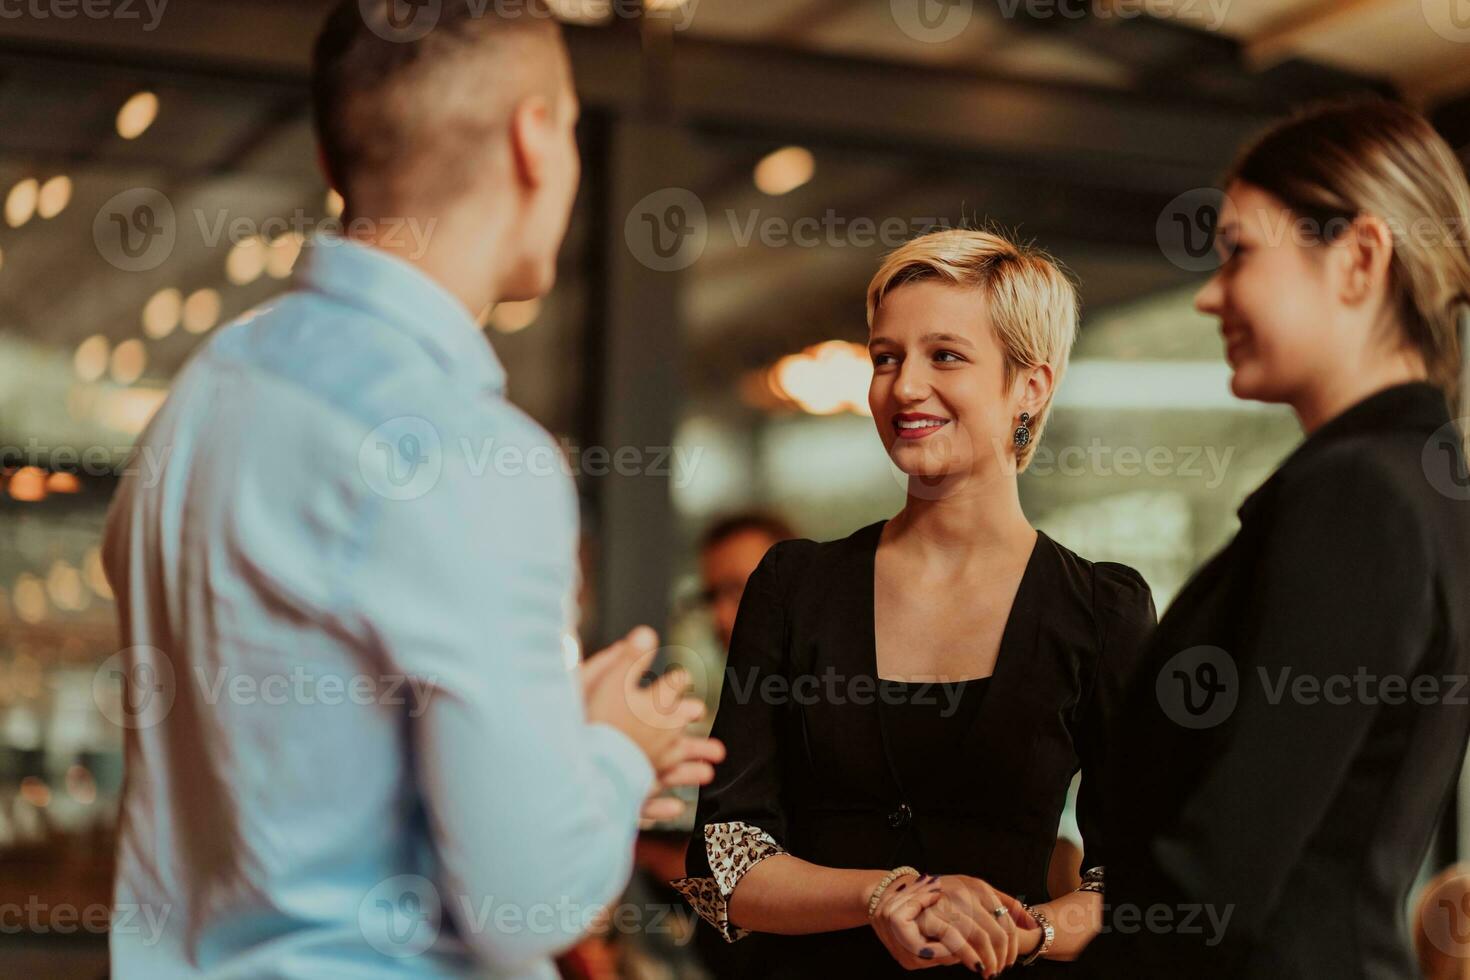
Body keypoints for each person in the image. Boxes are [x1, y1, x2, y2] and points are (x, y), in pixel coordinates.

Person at [100, 3, 722, 977]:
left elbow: (308, 763)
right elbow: (530, 903)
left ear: (329, 150)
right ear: (536, 136)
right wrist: (616, 752)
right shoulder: (475, 452)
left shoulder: (201, 399)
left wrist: (560, 746)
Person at [672, 229, 1158, 976]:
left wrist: (1025, 931)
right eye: (886, 357)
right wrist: (884, 895)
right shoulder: (794, 586)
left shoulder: (1101, 610)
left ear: (1031, 385)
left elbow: (1135, 881)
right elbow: (722, 864)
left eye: (946, 355)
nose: (903, 388)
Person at [1083, 99, 1470, 978]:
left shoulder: (1358, 495)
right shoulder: (1421, 480)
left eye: (1240, 253)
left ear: (1360, 259)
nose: (1209, 293)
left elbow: (1216, 874)